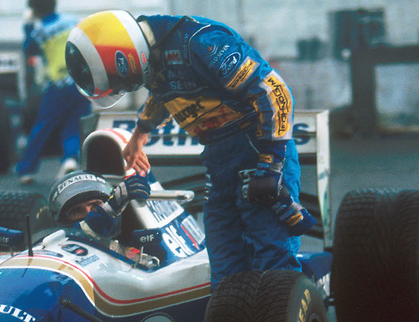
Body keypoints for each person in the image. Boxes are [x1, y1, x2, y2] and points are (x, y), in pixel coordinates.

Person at [65, 11, 315, 289]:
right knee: (224, 263)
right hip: (218, 157)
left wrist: (271, 164)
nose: (126, 85)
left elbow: (274, 91)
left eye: (121, 79)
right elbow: (162, 92)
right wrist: (140, 133)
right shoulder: (150, 54)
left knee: (272, 255)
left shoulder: (202, 42)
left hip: (257, 146)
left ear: (125, 55)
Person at [17, 0, 91, 185]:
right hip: (79, 82)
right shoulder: (72, 21)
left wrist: (27, 25)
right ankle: (69, 158)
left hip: (56, 86)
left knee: (42, 127)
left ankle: (26, 170)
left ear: (33, 10)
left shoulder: (38, 31)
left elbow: (29, 50)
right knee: (75, 124)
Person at [49, 170, 151, 252]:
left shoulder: (133, 252)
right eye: (77, 211)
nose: (89, 214)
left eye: (95, 205)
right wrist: (108, 209)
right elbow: (81, 230)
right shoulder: (54, 251)